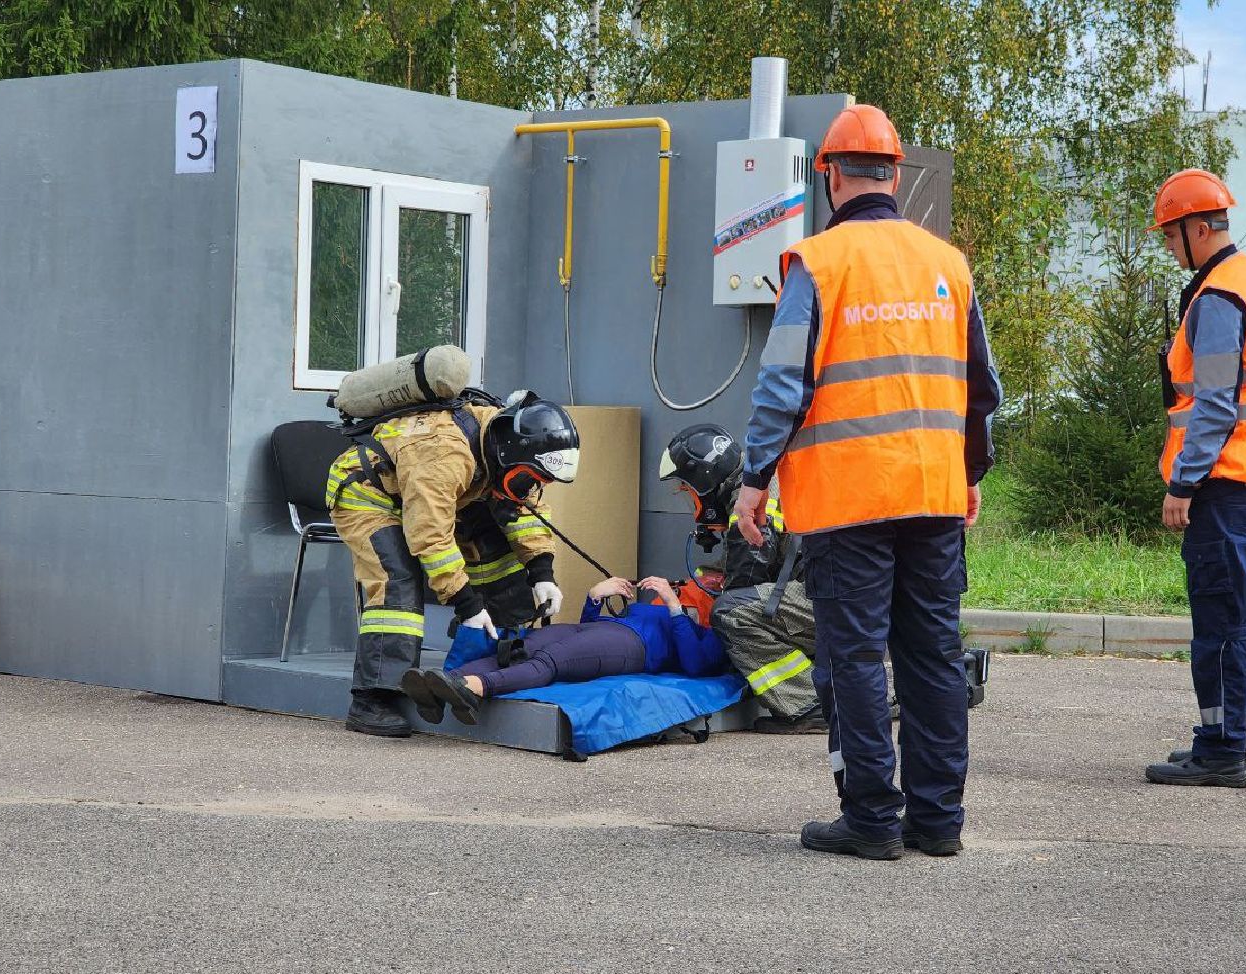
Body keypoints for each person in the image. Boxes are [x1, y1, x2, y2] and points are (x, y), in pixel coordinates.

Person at [734, 103, 1002, 861]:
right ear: (894, 173)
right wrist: (970, 470)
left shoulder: (817, 263)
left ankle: (872, 819)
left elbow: (782, 385)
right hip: (933, 496)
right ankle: (939, 821)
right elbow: (983, 388)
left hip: (848, 499)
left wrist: (755, 478)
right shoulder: (948, 264)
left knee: (853, 658)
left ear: (830, 176)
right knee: (932, 655)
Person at [1142, 169, 1246, 788]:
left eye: (1171, 237)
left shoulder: (1218, 298)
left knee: (1221, 618)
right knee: (1244, 612)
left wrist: (1183, 483)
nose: (1169, 249)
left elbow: (1213, 402)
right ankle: (1243, 737)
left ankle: (1222, 749)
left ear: (1197, 228)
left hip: (1224, 481)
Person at [328, 384, 580, 738]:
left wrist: (542, 572)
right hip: (368, 494)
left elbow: (526, 510)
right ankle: (374, 697)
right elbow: (430, 536)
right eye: (528, 477)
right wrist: (466, 603)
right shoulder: (444, 455)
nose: (530, 485)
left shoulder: (507, 451)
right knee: (398, 581)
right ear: (509, 454)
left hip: (434, 496)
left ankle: (498, 662)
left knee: (497, 555)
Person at [658, 423, 824, 734]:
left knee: (731, 614)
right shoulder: (765, 476)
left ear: (704, 480)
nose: (691, 502)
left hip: (828, 600)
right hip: (852, 595)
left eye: (688, 491)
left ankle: (809, 703)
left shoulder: (748, 506)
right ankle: (879, 691)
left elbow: (745, 583)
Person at [403, 575, 728, 725]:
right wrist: (595, 597)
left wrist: (675, 608)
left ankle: (471, 688)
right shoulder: (655, 611)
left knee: (551, 661)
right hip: (598, 630)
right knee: (522, 647)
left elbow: (695, 666)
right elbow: (588, 626)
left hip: (631, 647)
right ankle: (441, 683)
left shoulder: (712, 633)